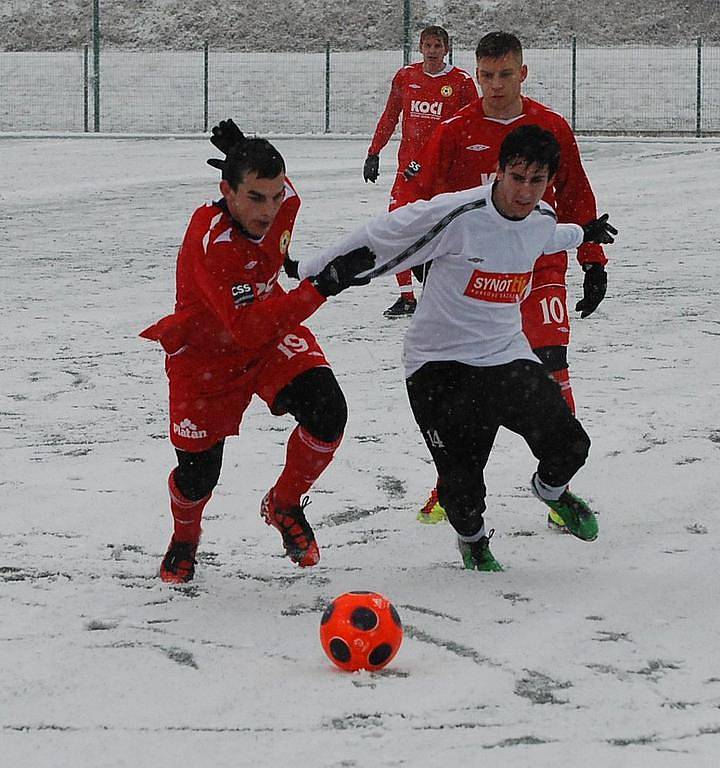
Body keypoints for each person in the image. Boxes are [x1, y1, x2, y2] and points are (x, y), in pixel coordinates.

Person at [300, 124, 616, 571]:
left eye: (537, 181)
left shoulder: (540, 217)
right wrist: (306, 269)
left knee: (572, 446)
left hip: (505, 357)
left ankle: (551, 493)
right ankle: (472, 541)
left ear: (548, 182)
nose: (525, 191)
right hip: (437, 366)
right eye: (517, 177)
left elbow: (549, 235)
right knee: (462, 491)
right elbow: (382, 234)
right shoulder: (456, 215)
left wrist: (585, 234)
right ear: (498, 172)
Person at [140, 119, 373, 583]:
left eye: (276, 196)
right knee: (198, 475)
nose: (269, 211)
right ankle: (184, 537)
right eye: (255, 198)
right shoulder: (213, 243)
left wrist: (242, 150)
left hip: (270, 333)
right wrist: (322, 287)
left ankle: (283, 504)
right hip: (207, 356)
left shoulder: (284, 204)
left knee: (328, 412)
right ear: (227, 192)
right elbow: (246, 328)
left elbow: (277, 189)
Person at [393, 32, 609, 527]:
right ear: (476, 75)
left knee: (552, 365)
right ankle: (453, 485)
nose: (494, 85)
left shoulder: (550, 127)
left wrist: (593, 259)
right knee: (470, 385)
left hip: (541, 266)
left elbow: (576, 194)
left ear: (522, 73)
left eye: (505, 74)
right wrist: (424, 259)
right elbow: (421, 201)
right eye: (486, 75)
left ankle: (559, 486)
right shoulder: (454, 129)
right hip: (475, 276)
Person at [363, 24, 478, 318]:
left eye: (438, 45)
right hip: (409, 171)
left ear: (446, 49)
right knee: (398, 226)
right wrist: (374, 151)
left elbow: (474, 124)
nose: (432, 51)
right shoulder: (406, 77)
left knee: (445, 232)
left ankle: (445, 295)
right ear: (421, 48)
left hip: (444, 173)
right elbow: (390, 116)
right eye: (427, 45)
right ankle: (406, 297)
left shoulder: (461, 81)